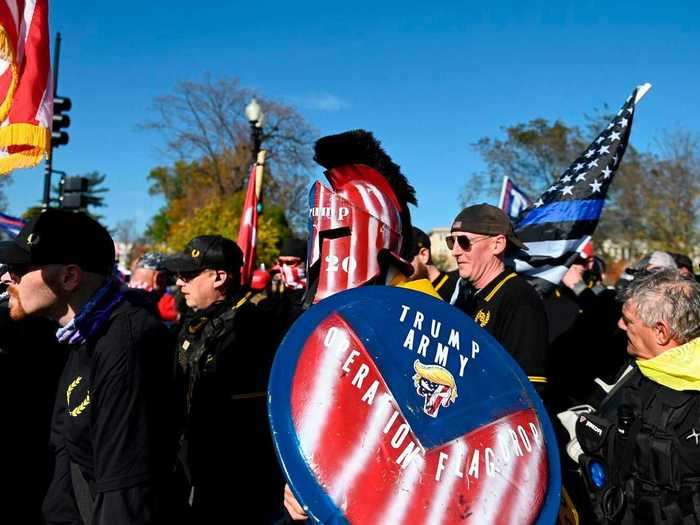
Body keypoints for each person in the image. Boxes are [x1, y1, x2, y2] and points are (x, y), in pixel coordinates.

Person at [0, 208, 181, 525]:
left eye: (17, 269)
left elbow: (125, 494)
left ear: (69, 277)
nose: (5, 277)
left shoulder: (127, 343)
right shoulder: (79, 334)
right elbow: (65, 450)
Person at [164, 235, 283, 524]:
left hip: (236, 482)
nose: (180, 283)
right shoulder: (196, 321)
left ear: (219, 277)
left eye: (189, 275)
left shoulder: (251, 327)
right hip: (194, 468)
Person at [575, 269, 700, 524]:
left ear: (661, 332)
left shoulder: (691, 394)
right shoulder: (643, 368)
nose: (620, 325)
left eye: (629, 321)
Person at [448, 203, 549, 392]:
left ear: (497, 244)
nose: (454, 251)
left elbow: (526, 389)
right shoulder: (465, 298)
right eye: (450, 241)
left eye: (463, 241)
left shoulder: (520, 300)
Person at [409, 226, 459, 301]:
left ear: (424, 254)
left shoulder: (457, 288)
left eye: (407, 259)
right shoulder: (412, 294)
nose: (402, 267)